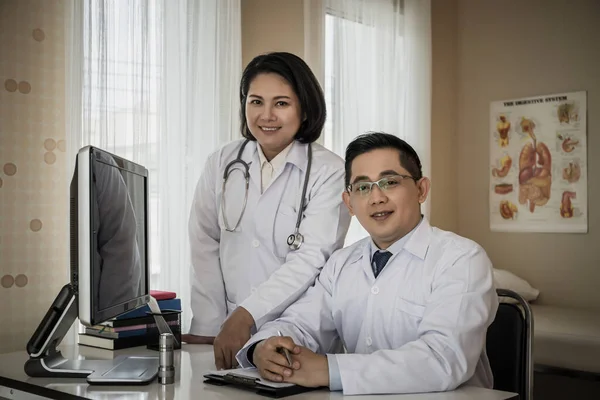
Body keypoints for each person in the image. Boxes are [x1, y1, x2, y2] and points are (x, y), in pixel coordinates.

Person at [236, 132, 499, 395]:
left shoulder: (461, 259)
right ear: (349, 203)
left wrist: (328, 370)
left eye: (390, 182)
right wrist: (265, 348)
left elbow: (443, 359)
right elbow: (301, 323)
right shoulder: (341, 263)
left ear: (421, 190)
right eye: (362, 187)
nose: (376, 198)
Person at [183, 52, 352, 370]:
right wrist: (210, 324)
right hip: (223, 330)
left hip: (296, 330)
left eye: (282, 103)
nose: (266, 115)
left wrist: (246, 316)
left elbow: (310, 259)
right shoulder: (222, 162)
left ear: (304, 109)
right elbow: (204, 242)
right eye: (256, 101)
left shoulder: (329, 172)